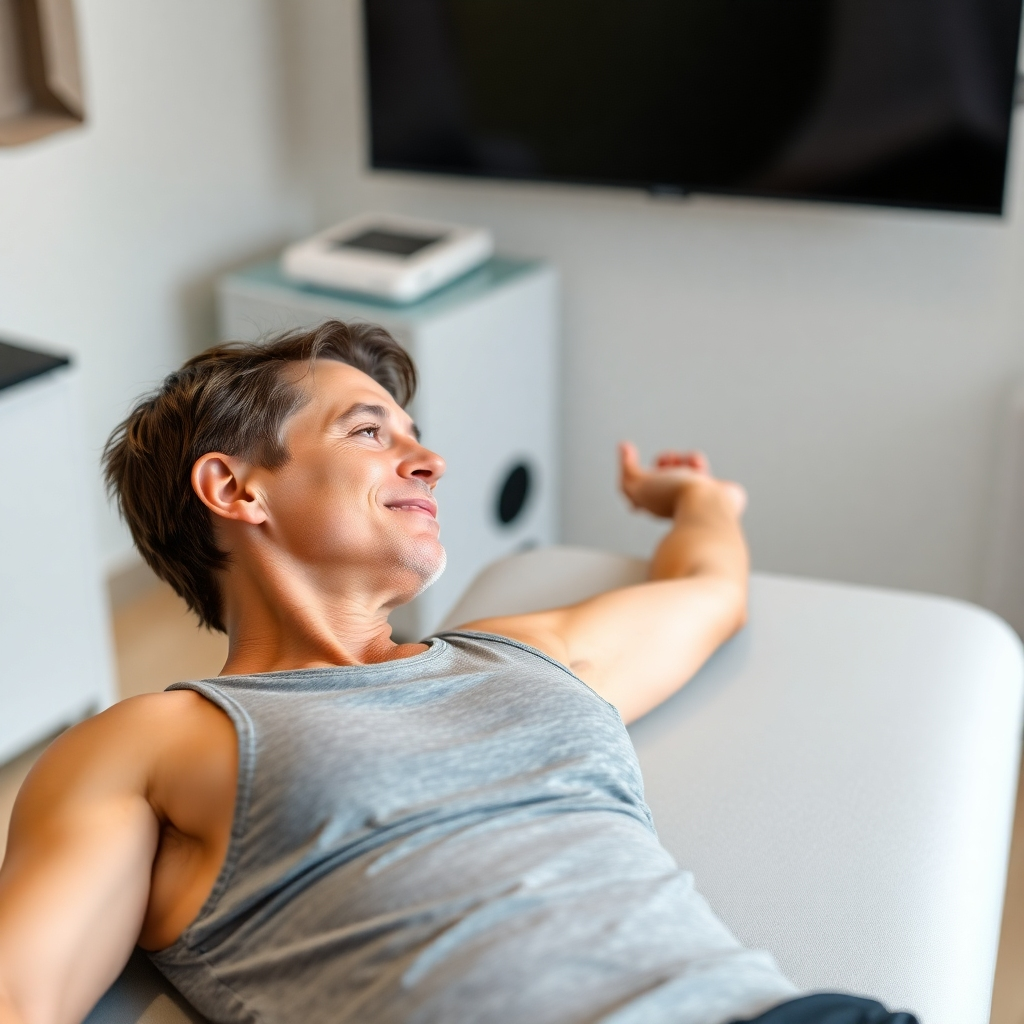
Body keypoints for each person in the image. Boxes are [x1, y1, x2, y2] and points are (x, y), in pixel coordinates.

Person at [0, 321, 917, 1024]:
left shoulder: (526, 653)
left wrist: (701, 501)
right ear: (237, 489)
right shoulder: (149, 741)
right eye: (370, 432)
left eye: (416, 435)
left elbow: (711, 592)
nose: (429, 462)